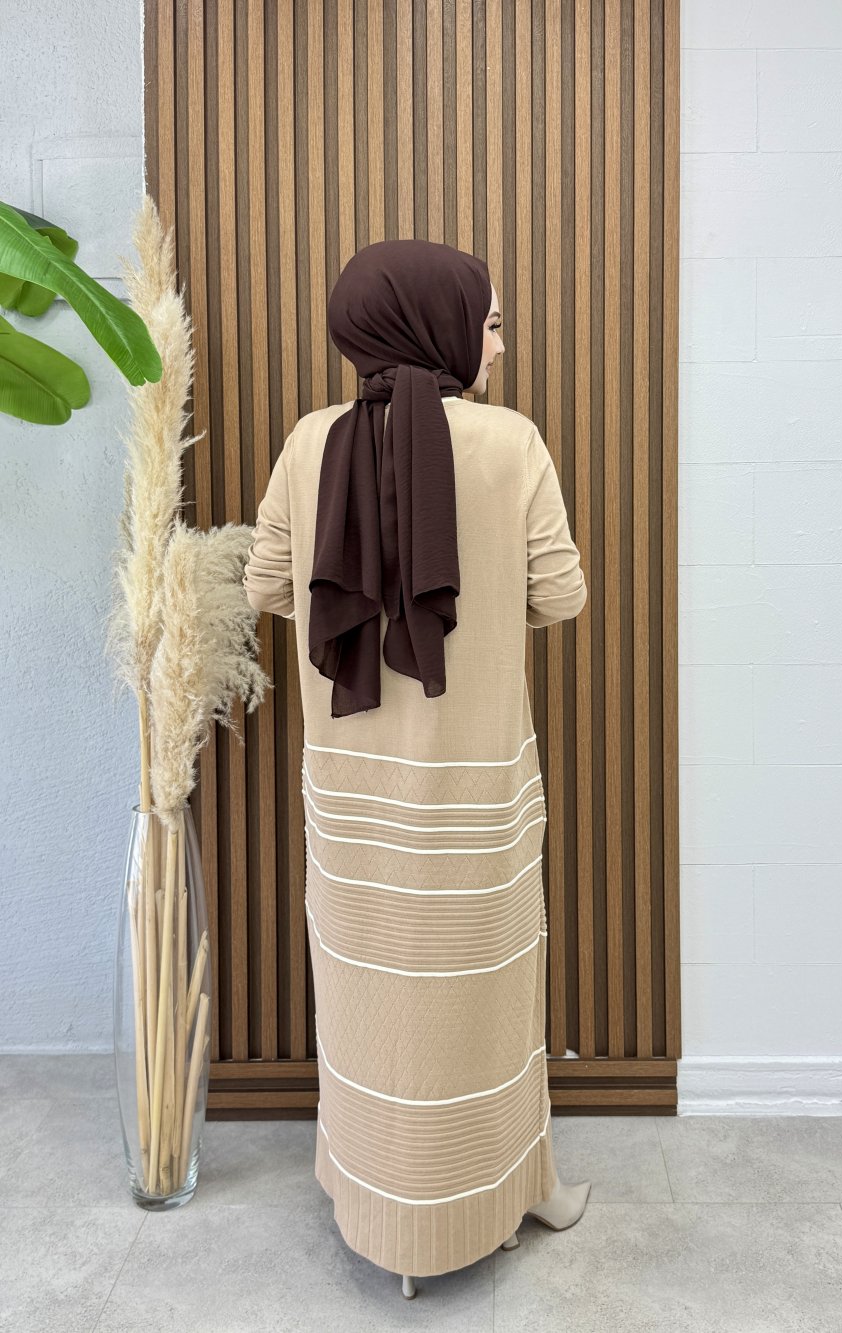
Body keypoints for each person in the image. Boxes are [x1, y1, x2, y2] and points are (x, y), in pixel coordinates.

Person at [242, 238, 590, 1294]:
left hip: (354, 798)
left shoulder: (309, 443)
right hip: (476, 791)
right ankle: (511, 1183)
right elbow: (562, 594)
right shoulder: (511, 442)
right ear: (435, 326)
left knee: (368, 997)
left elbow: (267, 587)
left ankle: (372, 1194)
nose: (500, 344)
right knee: (486, 995)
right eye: (491, 323)